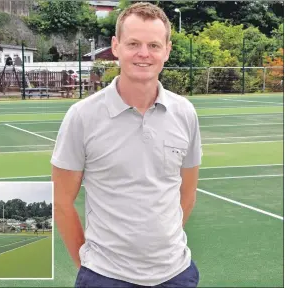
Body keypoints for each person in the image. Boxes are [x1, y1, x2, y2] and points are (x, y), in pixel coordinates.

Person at [51, 2, 202, 288]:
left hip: (176, 275)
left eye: (154, 45)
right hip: (105, 277)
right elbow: (61, 202)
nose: (143, 53)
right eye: (133, 43)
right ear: (116, 46)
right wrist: (89, 268)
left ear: (167, 50)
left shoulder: (185, 113)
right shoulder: (82, 117)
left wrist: (160, 247)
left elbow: (188, 193)